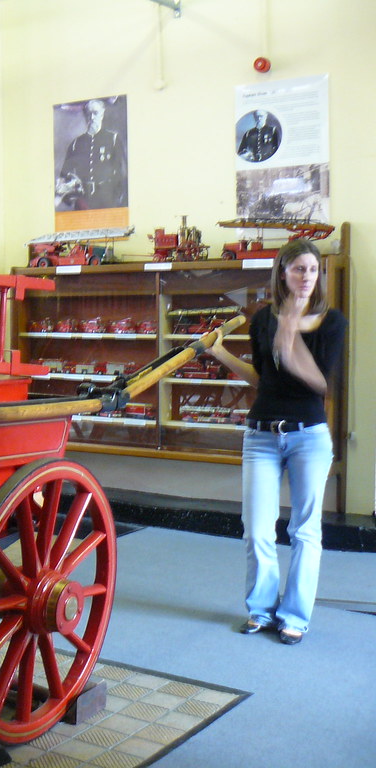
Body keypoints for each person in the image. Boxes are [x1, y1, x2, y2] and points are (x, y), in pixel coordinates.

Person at [208, 239, 346, 645]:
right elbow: (260, 379)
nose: (306, 277)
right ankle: (260, 611)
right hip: (261, 436)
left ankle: (295, 618)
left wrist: (291, 343)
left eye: (313, 270)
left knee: (305, 531)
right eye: (298, 269)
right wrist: (220, 355)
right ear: (282, 272)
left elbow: (322, 384)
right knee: (256, 529)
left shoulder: (331, 322)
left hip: (309, 437)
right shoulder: (264, 320)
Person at [55, 99, 127, 210]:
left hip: (107, 202)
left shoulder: (112, 139)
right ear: (85, 116)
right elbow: (64, 177)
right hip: (83, 203)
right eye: (89, 114)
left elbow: (122, 175)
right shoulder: (76, 144)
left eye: (95, 113)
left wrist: (116, 200)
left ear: (102, 114)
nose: (92, 118)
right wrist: (71, 196)